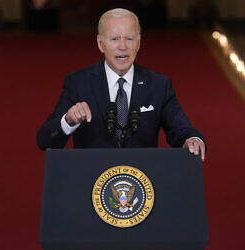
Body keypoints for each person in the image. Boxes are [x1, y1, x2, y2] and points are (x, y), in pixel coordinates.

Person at [36, 8, 206, 160]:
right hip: (92, 180)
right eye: (115, 39)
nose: (123, 46)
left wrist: (192, 140)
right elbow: (45, 140)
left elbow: (182, 130)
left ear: (138, 43)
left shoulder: (158, 85)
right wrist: (68, 120)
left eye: (129, 39)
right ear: (101, 44)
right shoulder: (79, 83)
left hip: (143, 181)